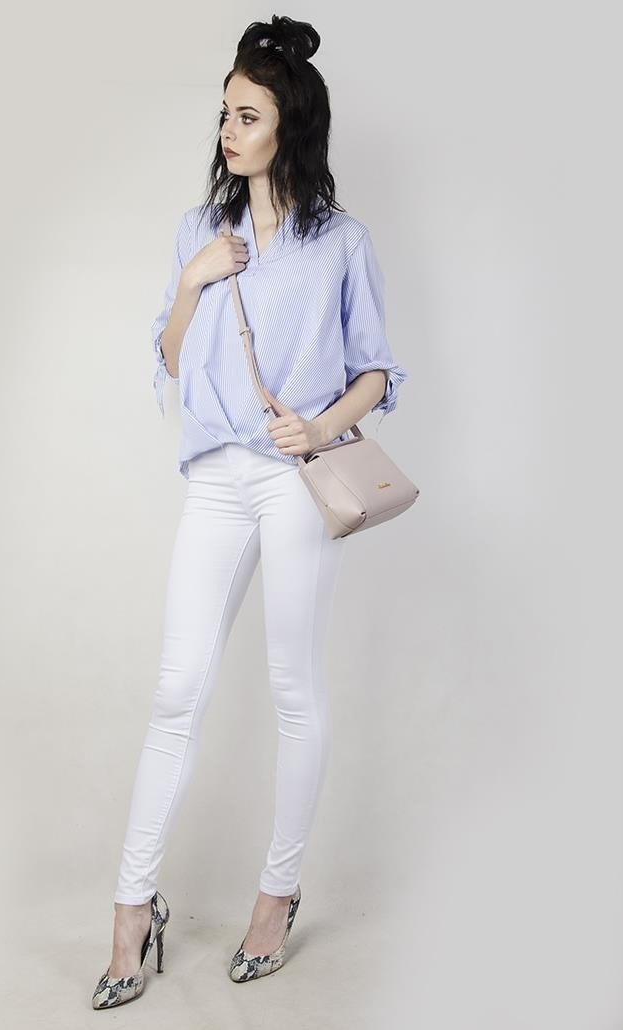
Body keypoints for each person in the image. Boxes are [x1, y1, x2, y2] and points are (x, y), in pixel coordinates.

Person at [92, 14, 409, 1008]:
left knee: (291, 688)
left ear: (289, 127)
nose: (228, 131)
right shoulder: (201, 231)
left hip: (293, 477)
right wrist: (194, 281)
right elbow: (171, 356)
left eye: (247, 116)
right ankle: (132, 910)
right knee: (177, 689)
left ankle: (277, 893)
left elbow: (377, 372)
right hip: (216, 477)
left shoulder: (341, 242)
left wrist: (319, 429)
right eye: (225, 113)